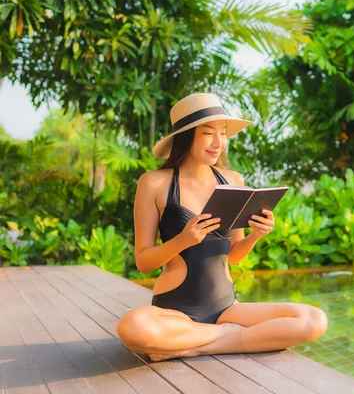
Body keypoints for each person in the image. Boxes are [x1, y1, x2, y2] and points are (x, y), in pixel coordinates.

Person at [117, 93, 328, 361]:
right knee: (133, 328)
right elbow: (144, 262)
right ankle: (227, 336)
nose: (219, 143)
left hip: (227, 309)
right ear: (186, 136)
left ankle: (201, 344)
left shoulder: (232, 180)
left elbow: (235, 255)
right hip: (175, 312)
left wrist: (256, 235)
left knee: (313, 319)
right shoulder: (154, 183)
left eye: (223, 133)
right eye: (208, 133)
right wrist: (183, 240)